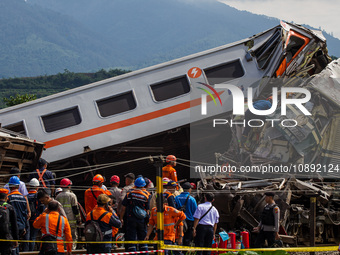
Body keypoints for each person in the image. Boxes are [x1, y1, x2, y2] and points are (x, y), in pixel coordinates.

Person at [120, 177, 150, 253]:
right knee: (143, 239)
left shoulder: (129, 194)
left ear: (135, 185)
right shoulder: (146, 195)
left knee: (131, 239)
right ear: (143, 186)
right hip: (141, 220)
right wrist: (148, 221)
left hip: (131, 219)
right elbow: (148, 210)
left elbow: (123, 207)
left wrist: (121, 218)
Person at [7, 176, 30, 254]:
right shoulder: (23, 199)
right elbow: (25, 213)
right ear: (18, 186)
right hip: (21, 226)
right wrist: (24, 226)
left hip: (12, 226)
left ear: (10, 186)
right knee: (16, 244)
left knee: (12, 246)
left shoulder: (8, 198)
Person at [56, 178, 81, 250]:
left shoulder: (58, 196)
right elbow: (75, 209)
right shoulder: (72, 195)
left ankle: (64, 250)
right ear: (69, 186)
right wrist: (78, 219)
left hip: (61, 221)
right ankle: (72, 250)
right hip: (71, 221)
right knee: (72, 237)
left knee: (63, 236)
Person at [175, 182, 197, 246]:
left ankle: (178, 252)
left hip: (179, 221)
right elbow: (195, 212)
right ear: (189, 189)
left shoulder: (176, 198)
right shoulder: (192, 199)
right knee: (187, 239)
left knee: (179, 237)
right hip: (189, 221)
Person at [27, 178, 45, 251]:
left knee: (27, 237)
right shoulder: (39, 197)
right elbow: (42, 209)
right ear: (37, 187)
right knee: (33, 237)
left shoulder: (26, 196)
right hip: (36, 219)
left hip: (27, 219)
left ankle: (25, 251)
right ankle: (31, 252)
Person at [0, 188, 19, 255]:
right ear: (6, 197)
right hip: (6, 237)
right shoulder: (9, 207)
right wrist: (15, 239)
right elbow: (14, 225)